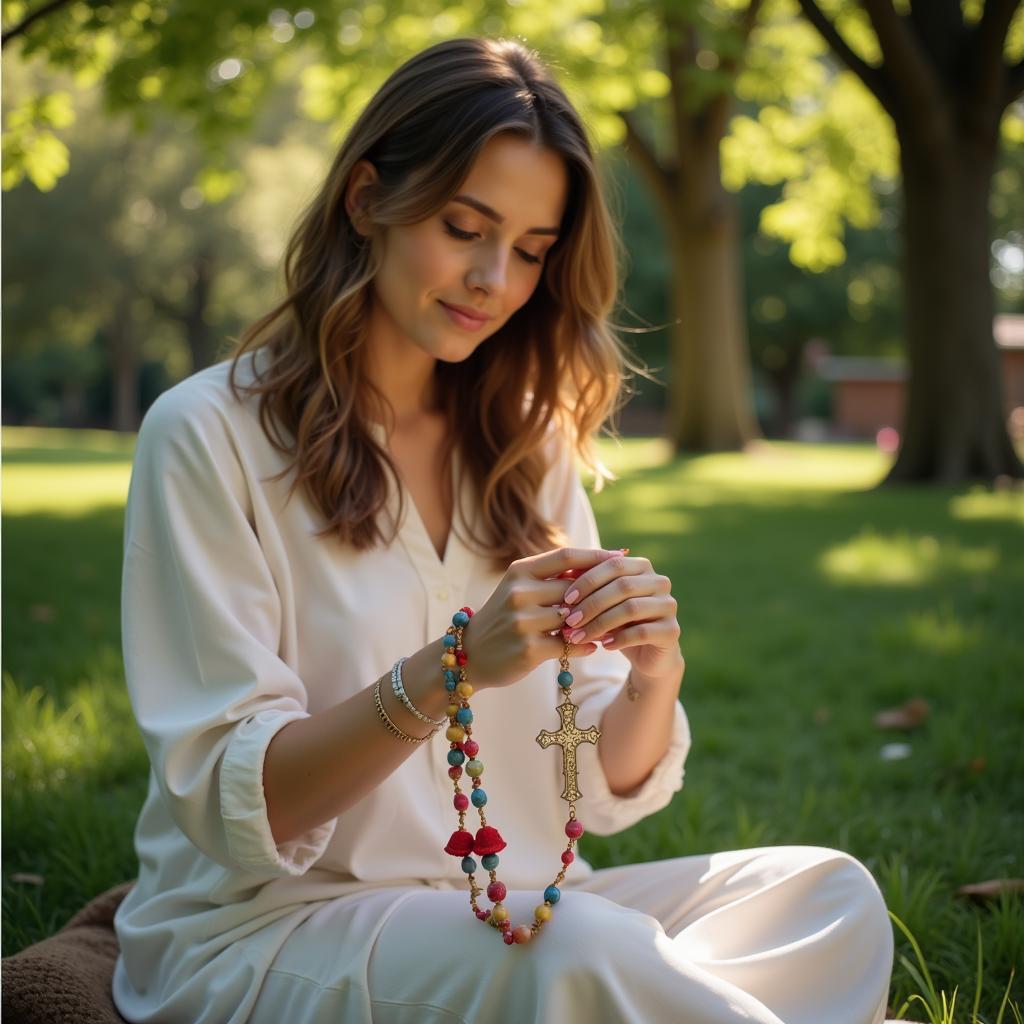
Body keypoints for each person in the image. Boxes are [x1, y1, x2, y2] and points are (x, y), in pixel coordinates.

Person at [112, 35, 895, 1024]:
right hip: (274, 928)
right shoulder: (207, 434)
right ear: (366, 200)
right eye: (463, 226)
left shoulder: (528, 445)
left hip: (515, 912)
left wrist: (655, 676)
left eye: (530, 251)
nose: (494, 278)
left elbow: (604, 783)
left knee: (826, 896)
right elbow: (248, 807)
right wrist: (453, 667)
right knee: (580, 953)